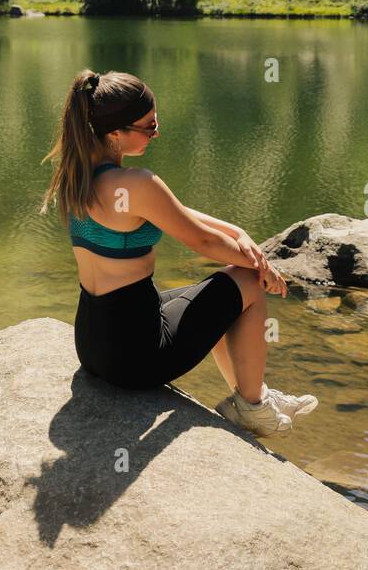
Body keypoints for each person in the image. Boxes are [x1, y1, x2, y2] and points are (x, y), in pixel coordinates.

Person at [41, 68, 318, 437]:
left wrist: (238, 232)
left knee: (218, 296)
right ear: (115, 132)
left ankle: (256, 397)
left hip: (92, 345)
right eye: (148, 126)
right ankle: (251, 408)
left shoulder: (75, 175)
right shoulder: (136, 184)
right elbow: (201, 241)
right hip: (136, 356)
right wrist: (260, 266)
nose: (156, 133)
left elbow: (181, 216)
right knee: (246, 281)